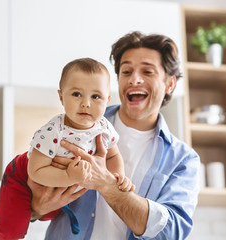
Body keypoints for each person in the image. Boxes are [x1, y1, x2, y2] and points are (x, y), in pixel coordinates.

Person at [28, 31, 200, 240]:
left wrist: (105, 183)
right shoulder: (72, 124)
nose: (134, 79)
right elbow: (31, 192)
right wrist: (35, 209)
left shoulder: (183, 160)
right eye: (126, 71)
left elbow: (171, 233)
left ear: (170, 84)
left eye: (147, 71)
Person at [0, 58, 134, 239]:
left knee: (52, 213)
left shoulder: (104, 128)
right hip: (22, 175)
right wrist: (69, 176)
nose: (86, 103)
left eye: (95, 96)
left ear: (107, 100)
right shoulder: (52, 131)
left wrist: (118, 178)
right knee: (12, 230)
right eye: (76, 94)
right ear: (61, 97)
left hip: (57, 184)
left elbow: (112, 156)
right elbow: (35, 171)